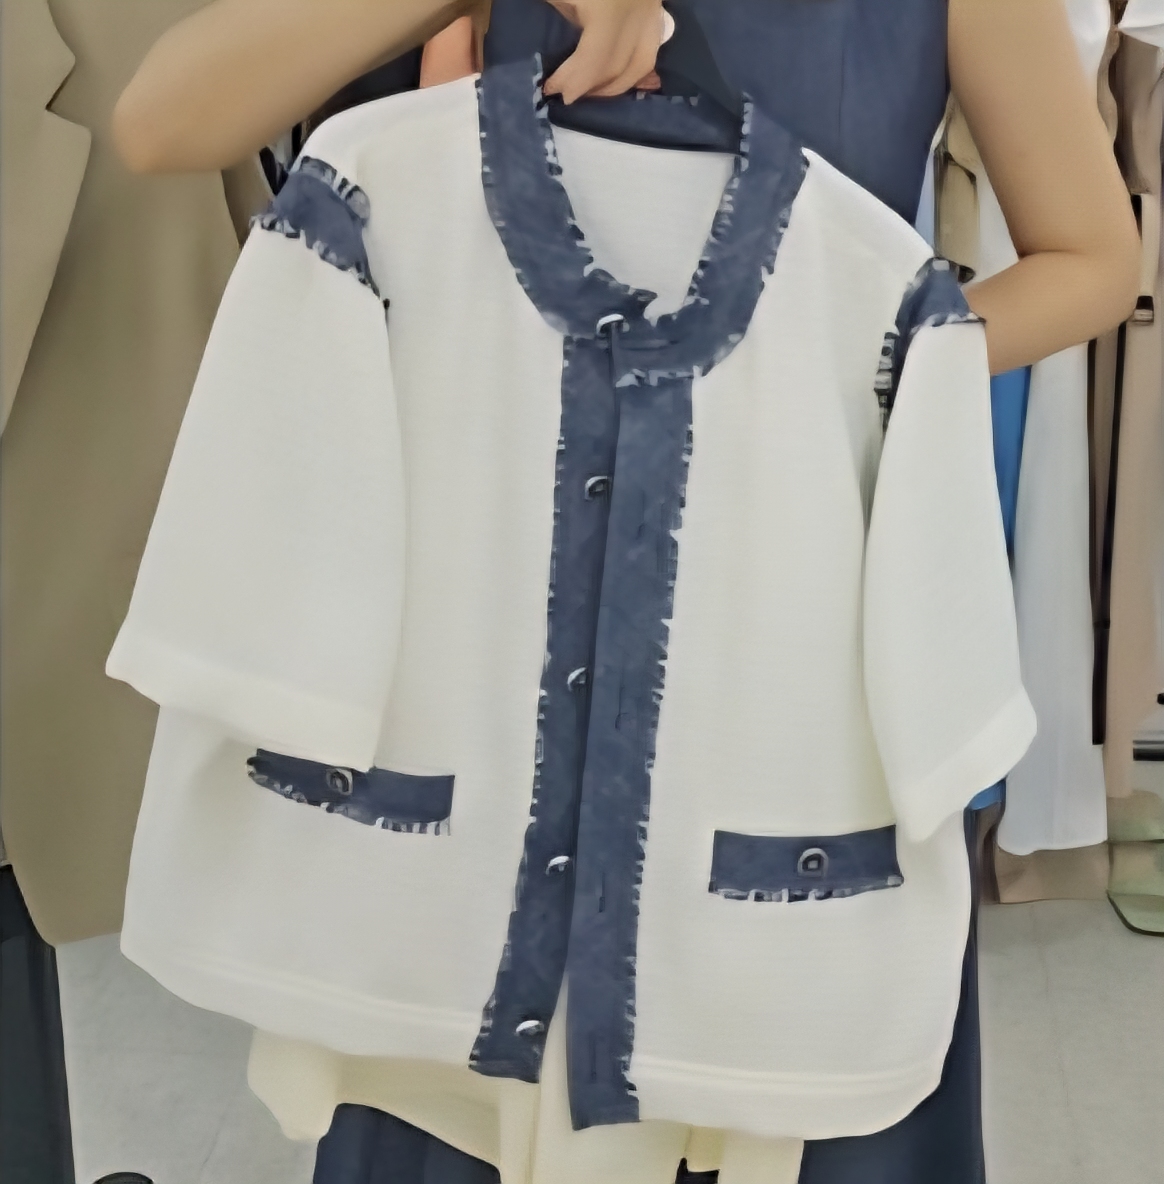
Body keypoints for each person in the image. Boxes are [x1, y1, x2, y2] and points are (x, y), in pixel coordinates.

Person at [104, 3, 1141, 1183]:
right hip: (495, 661)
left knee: (793, 1067)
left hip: (783, 656)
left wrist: (839, 356)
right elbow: (164, 118)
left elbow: (1095, 258)